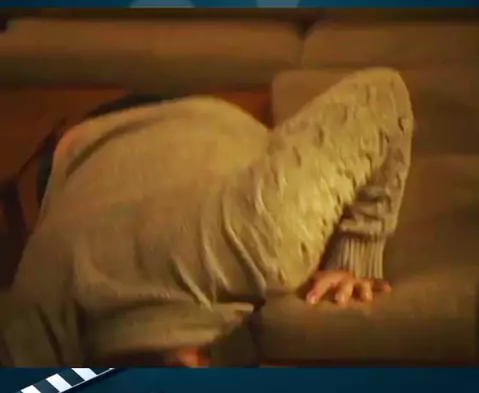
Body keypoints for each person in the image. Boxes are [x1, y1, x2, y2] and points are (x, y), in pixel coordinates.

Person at [11, 68, 413, 367]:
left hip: (144, 131)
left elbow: (384, 93)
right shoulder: (46, 276)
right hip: (84, 148)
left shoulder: (264, 235)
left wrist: (356, 251)